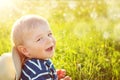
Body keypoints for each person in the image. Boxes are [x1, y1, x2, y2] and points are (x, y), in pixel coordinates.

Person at [11, 15, 71, 80]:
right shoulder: (38, 70)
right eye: (39, 39)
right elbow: (39, 74)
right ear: (25, 50)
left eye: (49, 34)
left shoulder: (35, 64)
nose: (49, 40)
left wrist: (53, 75)